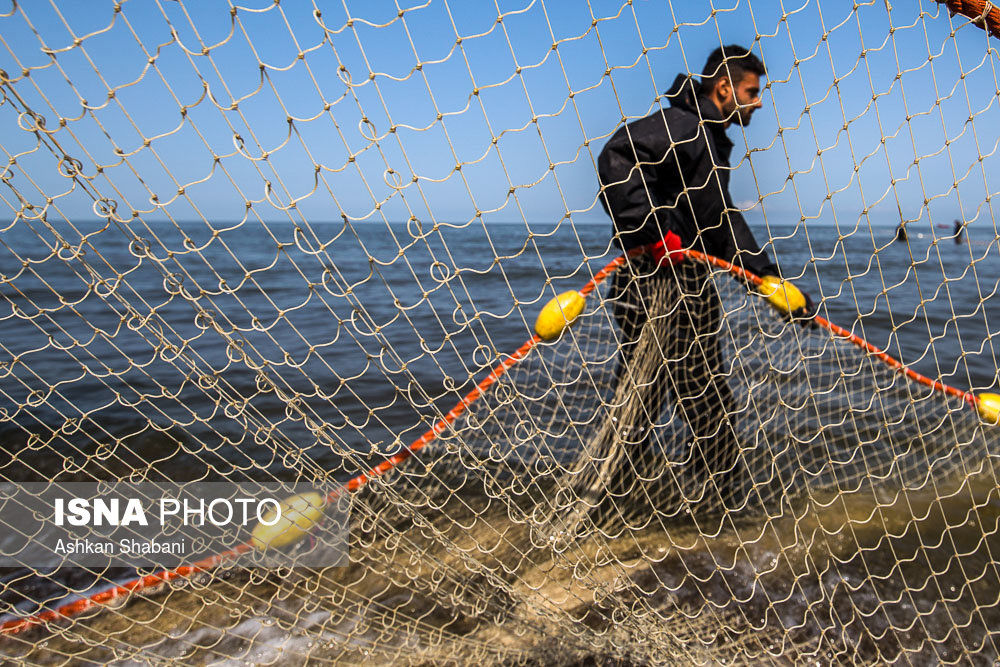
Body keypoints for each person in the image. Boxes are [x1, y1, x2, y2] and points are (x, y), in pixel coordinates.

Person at [578, 45, 813, 523]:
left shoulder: (710, 138)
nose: (760, 102)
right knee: (668, 397)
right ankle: (708, 509)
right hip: (652, 281)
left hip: (687, 281)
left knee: (670, 397)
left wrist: (767, 280)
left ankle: (668, 505)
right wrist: (653, 229)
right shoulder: (685, 126)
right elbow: (616, 156)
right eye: (753, 91)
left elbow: (719, 219)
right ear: (724, 87)